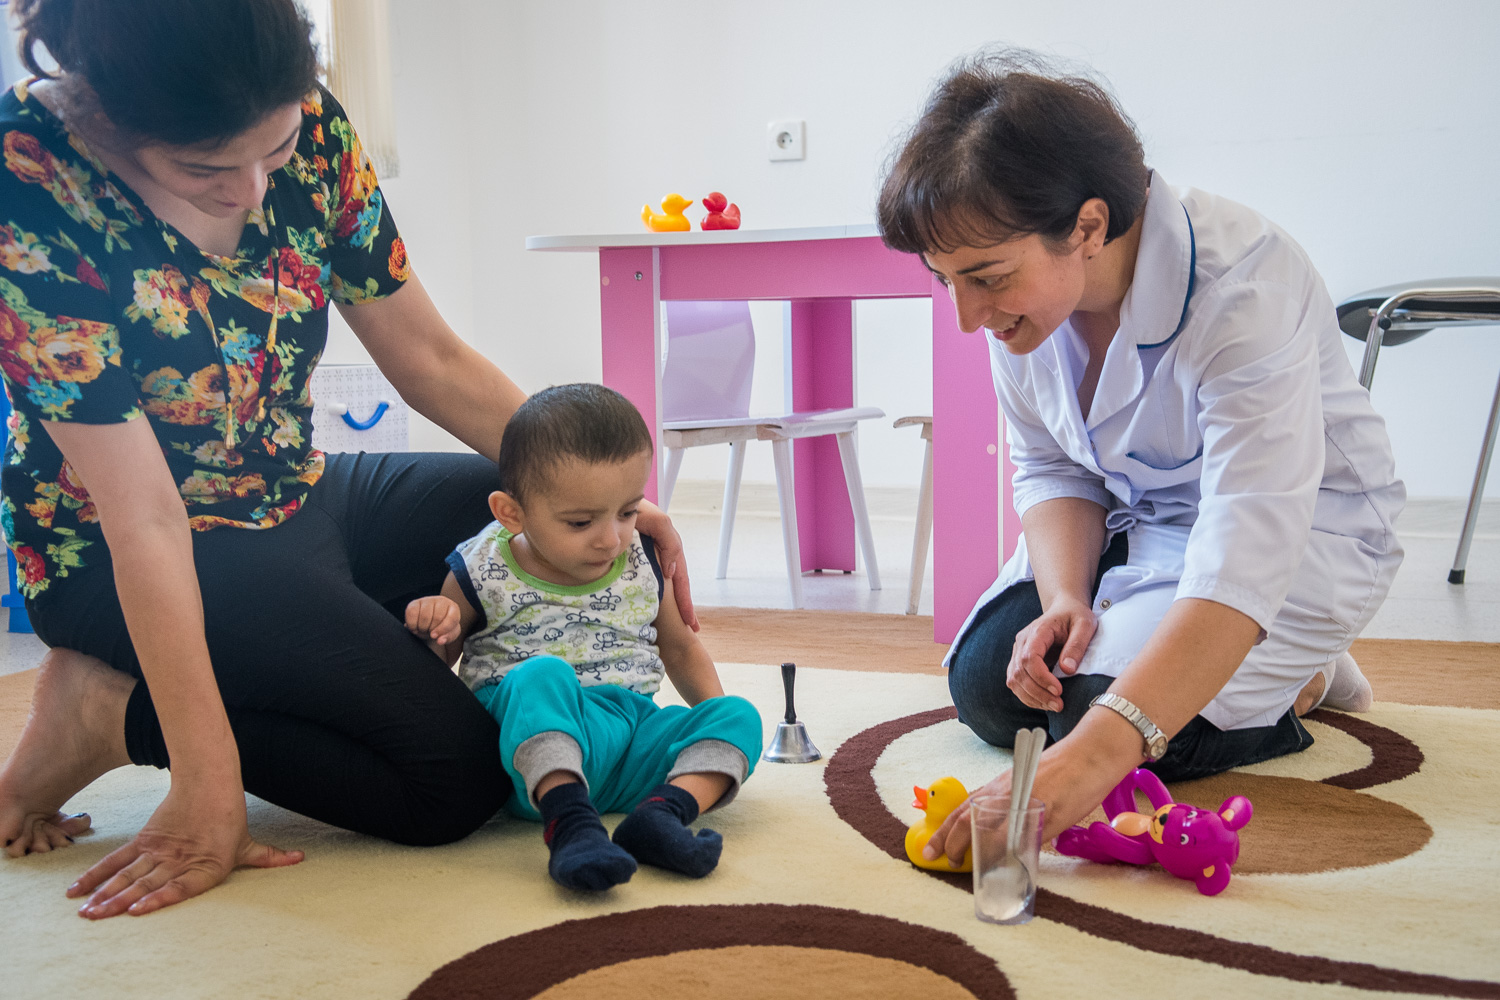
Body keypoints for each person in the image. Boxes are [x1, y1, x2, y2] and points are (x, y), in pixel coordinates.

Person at [0, 0, 697, 919]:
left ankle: (314, 650)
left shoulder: (313, 118)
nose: (254, 190)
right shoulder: (30, 174)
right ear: (104, 115)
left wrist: (601, 501)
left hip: (303, 491)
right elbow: (146, 517)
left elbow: (431, 360)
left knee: (554, 529)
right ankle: (107, 711)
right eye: (206, 168)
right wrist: (207, 783)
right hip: (130, 545)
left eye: (276, 152)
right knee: (455, 780)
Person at [874, 52, 1404, 863]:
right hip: (1145, 527)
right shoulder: (1020, 304)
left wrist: (1084, 766)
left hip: (1300, 541)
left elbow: (1248, 545)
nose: (967, 317)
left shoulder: (1243, 285)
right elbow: (1054, 467)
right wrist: (1064, 595)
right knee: (987, 687)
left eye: (984, 278)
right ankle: (1203, 662)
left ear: (1088, 227)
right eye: (945, 280)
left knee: (1105, 725)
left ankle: (1307, 675)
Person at [403, 384, 761, 891]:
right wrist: (433, 625)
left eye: (628, 512)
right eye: (580, 522)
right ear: (512, 513)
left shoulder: (640, 558)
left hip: (630, 738)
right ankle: (569, 822)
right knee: (541, 675)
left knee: (739, 715)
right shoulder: (481, 567)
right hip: (527, 751)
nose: (610, 539)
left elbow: (681, 648)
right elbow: (433, 671)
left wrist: (709, 732)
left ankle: (661, 815)